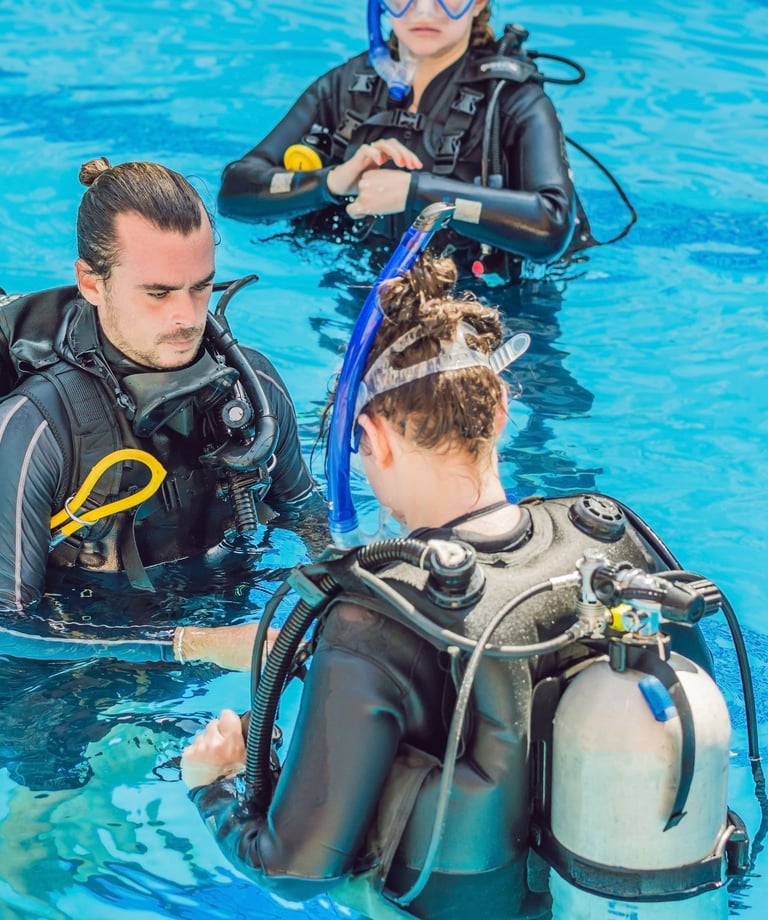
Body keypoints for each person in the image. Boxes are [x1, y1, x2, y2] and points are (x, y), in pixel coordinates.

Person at [181, 253, 740, 919]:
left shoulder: (372, 620)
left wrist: (211, 786)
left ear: (373, 438)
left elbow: (294, 870)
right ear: (501, 409)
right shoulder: (613, 539)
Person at [0, 157, 323, 669]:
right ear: (91, 283)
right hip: (79, 673)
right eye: (158, 293)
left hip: (226, 616)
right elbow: (7, 631)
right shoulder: (37, 427)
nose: (187, 317)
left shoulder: (252, 387)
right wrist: (192, 645)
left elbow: (309, 520)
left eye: (201, 287)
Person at [217, 0, 589, 282]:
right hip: (358, 293)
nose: (424, 10)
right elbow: (235, 192)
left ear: (478, 4)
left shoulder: (515, 102)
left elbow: (551, 225)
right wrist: (330, 182)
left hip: (496, 308)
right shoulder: (344, 88)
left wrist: (419, 192)